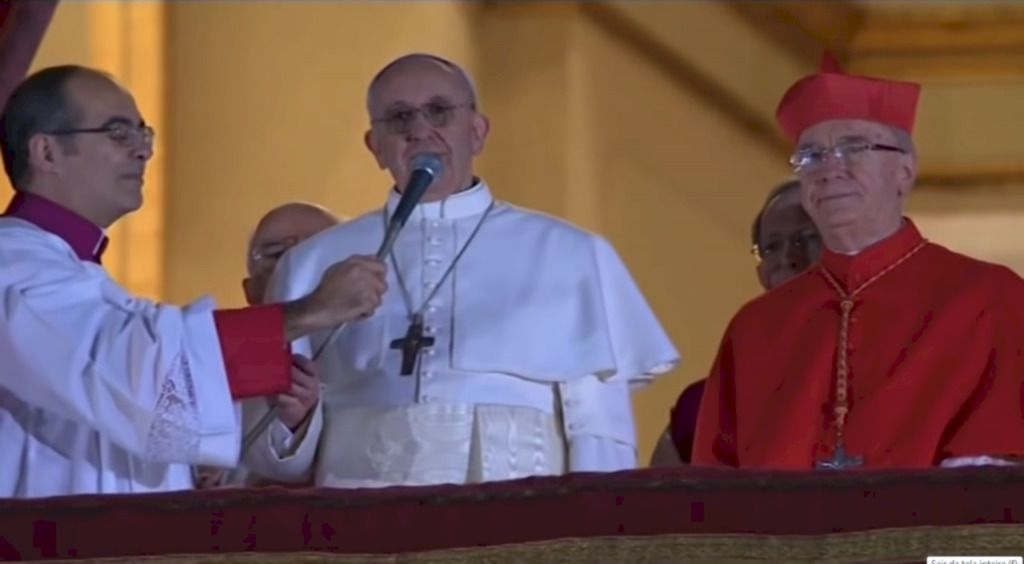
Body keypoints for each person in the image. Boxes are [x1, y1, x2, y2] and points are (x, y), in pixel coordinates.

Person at [243, 53, 680, 488]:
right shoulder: (312, 264)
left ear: (476, 131)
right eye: (398, 118)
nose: (419, 130)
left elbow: (599, 426)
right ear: (375, 146)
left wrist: (595, 529)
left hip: (518, 517)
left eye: (439, 111)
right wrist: (297, 423)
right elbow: (271, 457)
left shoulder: (570, 254)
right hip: (359, 518)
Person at [0, 65, 385, 497]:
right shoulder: (12, 264)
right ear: (47, 152)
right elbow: (128, 370)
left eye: (143, 134)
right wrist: (309, 312)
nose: (143, 151)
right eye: (118, 133)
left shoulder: (74, 272)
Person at [692, 53, 1024, 470]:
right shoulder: (756, 327)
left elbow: (999, 472)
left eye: (853, 148)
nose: (829, 170)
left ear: (904, 170)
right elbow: (714, 485)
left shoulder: (990, 299)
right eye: (811, 156)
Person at [648, 179, 821, 466]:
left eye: (808, 238)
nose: (788, 257)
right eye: (772, 246)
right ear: (760, 272)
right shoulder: (701, 407)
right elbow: (660, 505)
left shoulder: (880, 371)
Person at [195, 202, 340, 489]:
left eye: (316, 247)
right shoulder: (214, 370)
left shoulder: (375, 360)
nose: (294, 261)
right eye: (276, 253)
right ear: (250, 292)